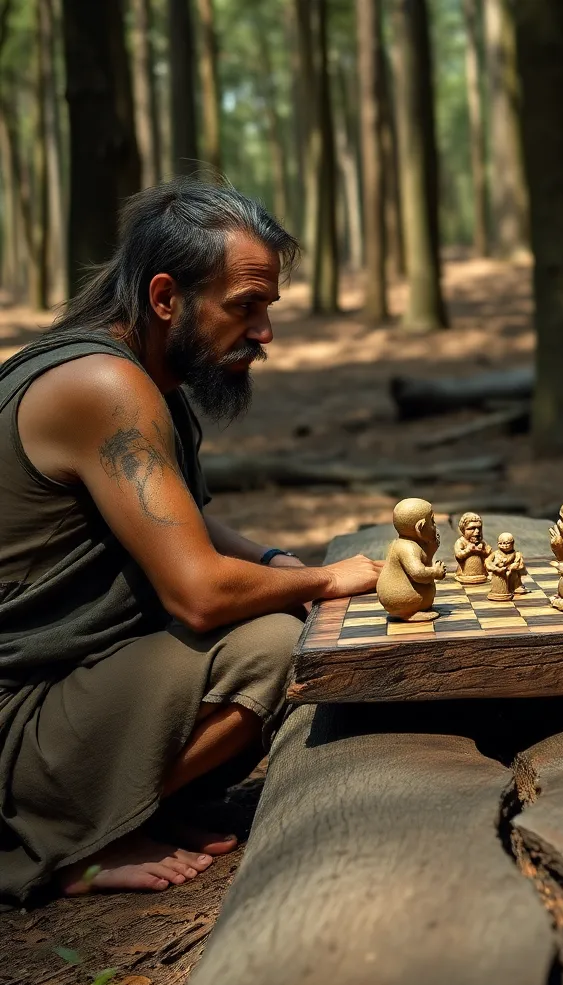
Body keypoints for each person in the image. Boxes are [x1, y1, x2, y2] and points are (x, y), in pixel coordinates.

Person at [0, 179, 382, 902]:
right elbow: (199, 595)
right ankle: (66, 839)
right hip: (15, 726)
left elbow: (175, 518)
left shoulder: (138, 370)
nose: (264, 333)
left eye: (268, 307)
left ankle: (133, 808)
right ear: (166, 297)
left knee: (280, 611)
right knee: (276, 646)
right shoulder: (105, 387)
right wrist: (326, 580)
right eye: (245, 306)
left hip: (64, 696)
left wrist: (275, 562)